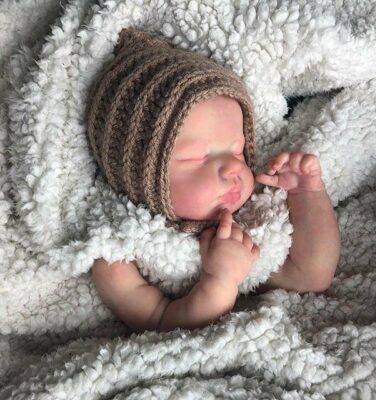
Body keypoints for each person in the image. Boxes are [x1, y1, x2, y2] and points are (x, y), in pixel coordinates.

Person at [86, 27, 341, 333]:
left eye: (237, 150)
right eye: (198, 158)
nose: (233, 167)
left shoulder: (252, 214)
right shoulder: (118, 249)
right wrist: (220, 280)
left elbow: (310, 278)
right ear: (140, 173)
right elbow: (161, 322)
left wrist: (306, 194)